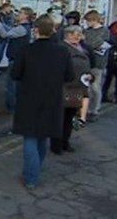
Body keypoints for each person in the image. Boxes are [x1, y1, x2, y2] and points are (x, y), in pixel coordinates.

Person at [11, 14, 74, 190]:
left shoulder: (26, 49)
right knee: (42, 137)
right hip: (52, 99)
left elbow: (15, 74)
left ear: (36, 30)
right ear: (53, 30)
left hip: (29, 98)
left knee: (30, 137)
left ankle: (31, 177)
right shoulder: (63, 51)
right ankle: (34, 173)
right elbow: (70, 76)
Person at [52, 25, 91, 155]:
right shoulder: (61, 48)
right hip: (64, 86)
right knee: (60, 117)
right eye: (76, 34)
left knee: (69, 117)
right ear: (68, 35)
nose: (78, 37)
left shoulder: (82, 47)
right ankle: (56, 144)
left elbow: (91, 64)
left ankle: (65, 142)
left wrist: (91, 76)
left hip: (78, 87)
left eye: (80, 35)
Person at [0, 7, 34, 115]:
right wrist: (1, 22)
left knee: (11, 85)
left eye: (20, 12)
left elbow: (5, 34)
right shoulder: (25, 28)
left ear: (26, 16)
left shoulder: (22, 28)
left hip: (16, 60)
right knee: (16, 85)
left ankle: (10, 108)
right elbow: (10, 30)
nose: (17, 14)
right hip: (20, 59)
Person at [83, 10, 110, 119]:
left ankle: (94, 110)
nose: (86, 23)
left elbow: (98, 44)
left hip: (98, 62)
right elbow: (84, 44)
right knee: (87, 87)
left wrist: (89, 45)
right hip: (87, 61)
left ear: (94, 20)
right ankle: (87, 109)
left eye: (88, 21)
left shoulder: (104, 31)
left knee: (95, 87)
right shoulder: (86, 31)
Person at [0, 3, 15, 76]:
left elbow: (10, 25)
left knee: (0, 56)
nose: (10, 10)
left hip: (4, 39)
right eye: (9, 8)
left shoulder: (8, 16)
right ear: (5, 8)